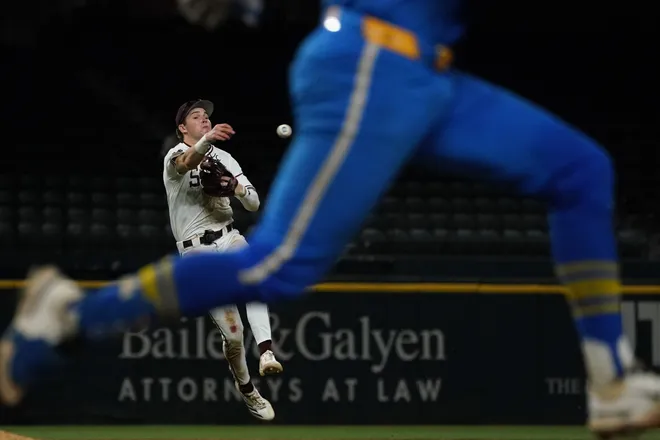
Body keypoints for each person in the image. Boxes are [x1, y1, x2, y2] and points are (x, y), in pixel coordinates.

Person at [2, 1, 659, 436]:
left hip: (429, 76)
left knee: (582, 171)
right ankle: (64, 320)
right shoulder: (183, 151)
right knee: (277, 266)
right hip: (371, 64)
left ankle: (610, 381)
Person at [161, 99, 283, 420]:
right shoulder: (173, 156)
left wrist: (237, 189)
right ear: (182, 129)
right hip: (196, 252)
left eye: (206, 116)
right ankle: (247, 389)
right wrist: (207, 141)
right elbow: (187, 161)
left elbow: (254, 203)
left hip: (228, 235)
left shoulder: (225, 157)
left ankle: (267, 351)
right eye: (196, 117)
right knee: (233, 334)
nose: (204, 119)